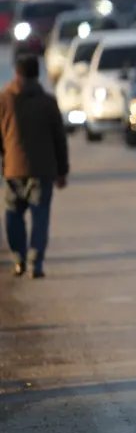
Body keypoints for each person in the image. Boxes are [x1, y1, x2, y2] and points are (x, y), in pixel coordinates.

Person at [0, 55, 69, 278]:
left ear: (17, 73)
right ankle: (35, 262)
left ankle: (19, 258)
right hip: (43, 171)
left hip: (13, 170)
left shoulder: (4, 100)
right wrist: (62, 171)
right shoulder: (48, 102)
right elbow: (59, 139)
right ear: (37, 75)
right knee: (40, 218)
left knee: (13, 216)